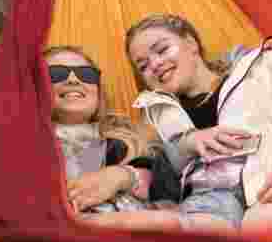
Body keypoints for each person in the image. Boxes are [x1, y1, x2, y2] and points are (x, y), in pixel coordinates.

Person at [126, 14, 272, 233]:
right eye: (143, 66)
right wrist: (187, 143)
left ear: (191, 44)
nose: (154, 64)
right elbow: (161, 179)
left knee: (266, 227)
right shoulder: (156, 114)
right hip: (210, 201)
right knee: (195, 236)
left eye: (162, 50)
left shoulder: (257, 66)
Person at [45, 46, 184, 231]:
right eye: (56, 73)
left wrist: (124, 176)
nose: (73, 79)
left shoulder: (130, 142)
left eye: (86, 74)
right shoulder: (19, 148)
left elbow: (178, 191)